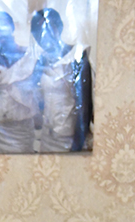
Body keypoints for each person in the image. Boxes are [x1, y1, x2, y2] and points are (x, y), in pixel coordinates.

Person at [30, 9, 92, 153]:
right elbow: (35, 94)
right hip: (47, 135)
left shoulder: (77, 57)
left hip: (69, 139)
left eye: (45, 30)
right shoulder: (42, 60)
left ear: (58, 27)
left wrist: (77, 145)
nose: (41, 37)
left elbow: (84, 106)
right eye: (37, 33)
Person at [0, 12, 36, 154]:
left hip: (22, 130)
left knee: (22, 165)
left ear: (12, 27)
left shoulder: (31, 57)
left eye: (2, 26)